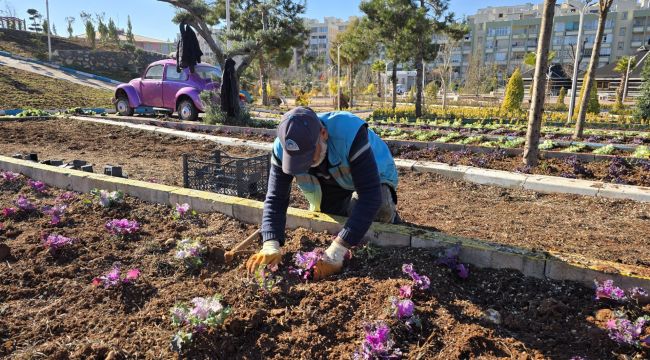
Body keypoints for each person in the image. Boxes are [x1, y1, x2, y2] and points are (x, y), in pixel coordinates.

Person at [246, 107, 399, 280]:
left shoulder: (349, 132)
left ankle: (392, 220)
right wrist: (270, 244)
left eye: (308, 156)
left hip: (374, 177)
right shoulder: (283, 147)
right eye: (296, 160)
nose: (304, 165)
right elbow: (275, 198)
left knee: (377, 207)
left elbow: (370, 196)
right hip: (329, 181)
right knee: (337, 216)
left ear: (323, 134)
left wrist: (337, 251)